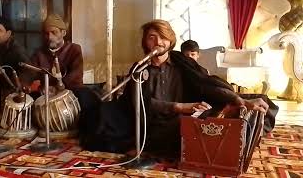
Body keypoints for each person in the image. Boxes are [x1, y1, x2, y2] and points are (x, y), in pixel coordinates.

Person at [79, 19, 278, 157]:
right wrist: (180, 107)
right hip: (151, 124)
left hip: (185, 115)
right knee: (101, 116)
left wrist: (238, 100)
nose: (158, 42)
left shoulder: (182, 61)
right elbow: (141, 104)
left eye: (162, 37)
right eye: (151, 37)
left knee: (257, 101)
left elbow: (205, 84)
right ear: (145, 42)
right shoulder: (140, 68)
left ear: (170, 39)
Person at [0, 16, 29, 91]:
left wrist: (20, 83)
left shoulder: (17, 50)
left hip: (13, 92)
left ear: (8, 33)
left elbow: (28, 71)